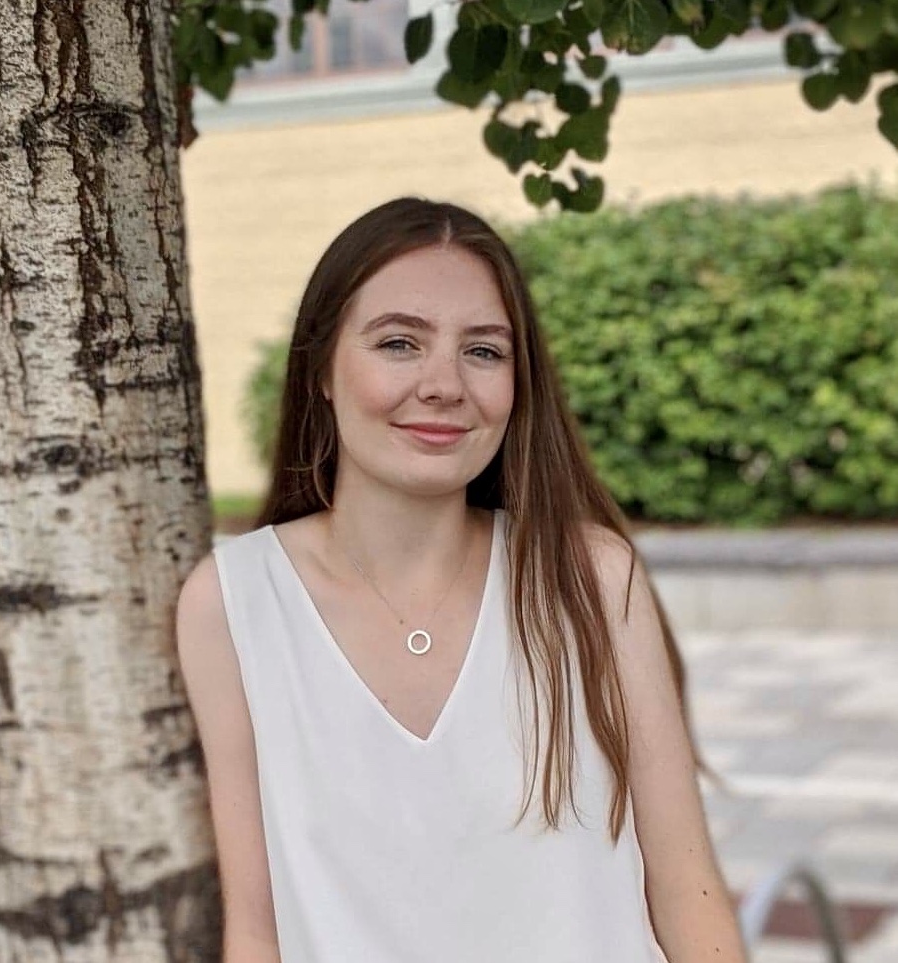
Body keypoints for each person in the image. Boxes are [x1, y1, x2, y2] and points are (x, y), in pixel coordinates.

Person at [176, 197, 748, 963]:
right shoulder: (233, 601)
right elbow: (257, 929)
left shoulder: (588, 577)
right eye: (400, 342)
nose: (444, 384)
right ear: (320, 368)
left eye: (483, 351)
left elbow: (686, 891)